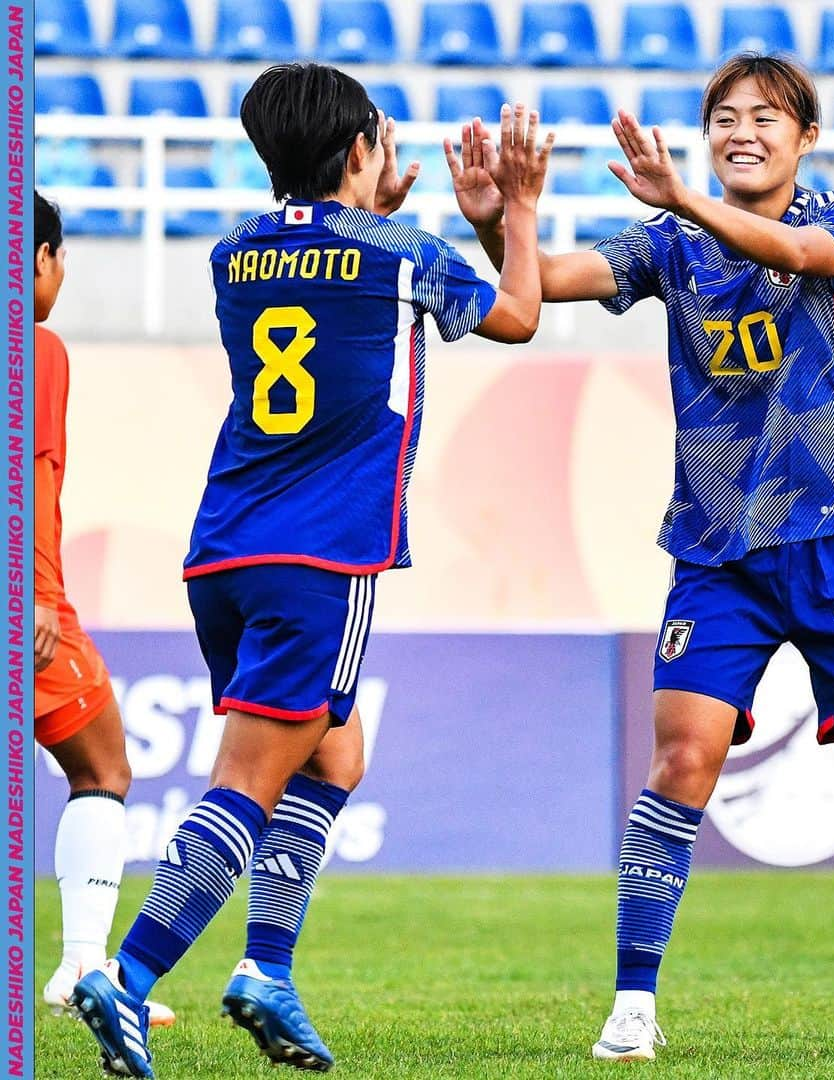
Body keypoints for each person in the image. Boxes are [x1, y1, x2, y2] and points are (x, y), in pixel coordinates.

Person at [448, 53, 834, 1061]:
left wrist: (685, 198)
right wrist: (504, 217)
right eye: (726, 117)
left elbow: (797, 251)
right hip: (716, 552)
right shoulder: (669, 246)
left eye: (765, 118)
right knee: (680, 760)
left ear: (805, 138)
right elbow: (546, 287)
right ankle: (633, 1002)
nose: (743, 130)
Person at [72, 64, 553, 1079]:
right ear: (360, 155)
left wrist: (368, 206)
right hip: (322, 553)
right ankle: (124, 978)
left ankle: (266, 972)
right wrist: (515, 209)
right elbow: (517, 313)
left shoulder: (234, 252)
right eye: (377, 142)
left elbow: (326, 269)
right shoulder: (402, 252)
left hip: (227, 551)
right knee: (250, 782)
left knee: (333, 759)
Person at [33, 192, 175, 1031]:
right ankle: (84, 966)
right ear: (39, 258)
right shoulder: (36, 347)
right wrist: (38, 597)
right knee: (102, 767)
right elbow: (32, 473)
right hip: (28, 601)